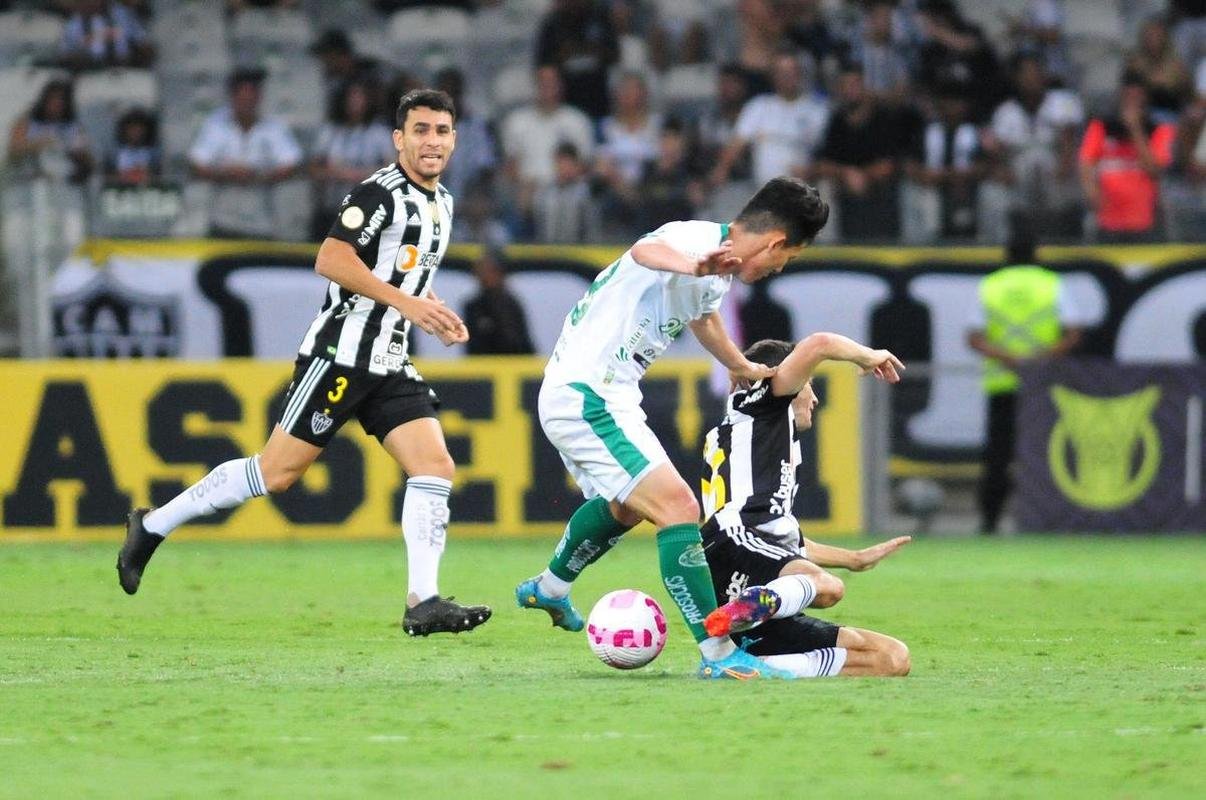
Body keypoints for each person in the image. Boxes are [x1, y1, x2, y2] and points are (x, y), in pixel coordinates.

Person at [118, 89, 493, 637]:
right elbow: (331, 258)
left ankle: (424, 601)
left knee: (434, 467)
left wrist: (432, 309)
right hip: (340, 355)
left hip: (389, 359)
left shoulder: (444, 203)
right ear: (399, 139)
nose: (431, 141)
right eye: (420, 130)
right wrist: (408, 303)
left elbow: (404, 275)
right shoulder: (378, 194)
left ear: (454, 140)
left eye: (441, 131)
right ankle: (151, 526)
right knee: (277, 474)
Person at [515, 177, 830, 680]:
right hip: (589, 394)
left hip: (608, 394)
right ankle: (719, 655)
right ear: (775, 242)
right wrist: (693, 263)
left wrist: (741, 365)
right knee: (679, 507)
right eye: (787, 258)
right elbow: (645, 250)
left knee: (628, 506)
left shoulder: (716, 273)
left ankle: (549, 588)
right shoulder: (697, 242)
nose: (779, 268)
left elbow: (702, 316)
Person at [698, 335, 911, 678]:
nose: (814, 397)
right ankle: (753, 607)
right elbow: (819, 343)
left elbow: (782, 546)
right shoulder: (761, 406)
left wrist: (854, 560)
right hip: (736, 543)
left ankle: (755, 666)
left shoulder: (764, 439)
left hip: (752, 561)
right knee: (829, 587)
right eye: (808, 384)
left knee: (891, 658)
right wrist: (868, 356)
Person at [966, 231, 1082, 534]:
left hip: (1001, 383)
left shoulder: (991, 285)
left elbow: (974, 338)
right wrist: (1039, 360)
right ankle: (1046, 519)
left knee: (997, 457)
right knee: (1046, 452)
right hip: (1041, 383)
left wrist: (1008, 358)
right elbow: (1072, 334)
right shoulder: (1051, 284)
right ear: (1036, 253)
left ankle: (989, 521)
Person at [187, 69, 303, 239]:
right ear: (233, 97)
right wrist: (226, 174)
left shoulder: (274, 127)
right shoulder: (215, 125)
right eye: (242, 98)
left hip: (261, 218)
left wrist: (257, 175)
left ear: (259, 98)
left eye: (252, 98)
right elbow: (196, 164)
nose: (247, 103)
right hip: (222, 216)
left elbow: (292, 164)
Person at [1079, 73, 1176, 243]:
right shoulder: (1100, 127)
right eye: (1128, 97)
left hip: (1144, 222)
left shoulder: (1160, 130)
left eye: (1137, 97)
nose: (1132, 102)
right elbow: (1085, 162)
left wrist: (1135, 128)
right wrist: (1090, 189)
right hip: (1107, 220)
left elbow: (1154, 169)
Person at [308, 78, 395, 241]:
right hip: (333, 209)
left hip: (369, 212)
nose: (355, 102)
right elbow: (313, 168)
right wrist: (336, 174)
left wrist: (357, 175)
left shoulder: (380, 133)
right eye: (351, 97)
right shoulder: (331, 131)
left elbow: (392, 170)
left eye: (359, 97)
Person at [7, 79, 93, 183]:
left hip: (62, 180)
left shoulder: (72, 127)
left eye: (61, 101)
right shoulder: (28, 122)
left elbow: (83, 154)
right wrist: (40, 144)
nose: (56, 105)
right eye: (52, 100)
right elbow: (14, 147)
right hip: (28, 178)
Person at [463, 249, 535, 355]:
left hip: (512, 365)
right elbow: (472, 347)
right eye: (480, 271)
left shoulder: (511, 305)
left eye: (488, 270)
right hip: (483, 367)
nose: (483, 276)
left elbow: (521, 343)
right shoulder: (473, 307)